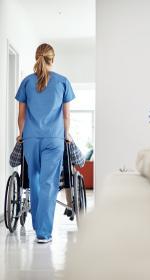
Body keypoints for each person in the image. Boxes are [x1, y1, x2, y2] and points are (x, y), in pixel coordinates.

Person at [15, 43, 75, 243]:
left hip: (31, 139)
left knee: (35, 180)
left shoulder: (26, 82)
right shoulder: (63, 82)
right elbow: (66, 116)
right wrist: (66, 134)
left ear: (36, 57)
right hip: (54, 138)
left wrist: (20, 134)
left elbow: (21, 116)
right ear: (53, 59)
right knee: (48, 183)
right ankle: (43, 232)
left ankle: (38, 226)